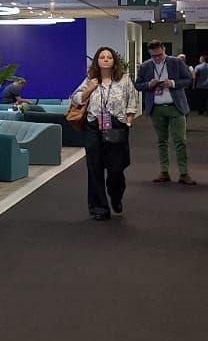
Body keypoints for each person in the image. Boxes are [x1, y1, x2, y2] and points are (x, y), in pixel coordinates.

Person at [71, 47, 140, 220]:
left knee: (116, 169)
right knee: (94, 167)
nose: (106, 59)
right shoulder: (90, 79)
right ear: (97, 61)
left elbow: (132, 101)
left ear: (114, 60)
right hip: (93, 126)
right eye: (102, 57)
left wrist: (129, 121)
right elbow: (76, 98)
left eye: (109, 57)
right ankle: (99, 208)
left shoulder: (124, 79)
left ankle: (116, 196)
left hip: (116, 126)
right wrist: (90, 88)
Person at [135, 40, 194, 185]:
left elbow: (188, 80)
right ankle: (164, 171)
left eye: (160, 55)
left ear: (164, 50)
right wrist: (149, 84)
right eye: (154, 56)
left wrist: (173, 83)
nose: (157, 58)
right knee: (162, 141)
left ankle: (184, 173)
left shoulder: (176, 62)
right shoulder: (145, 66)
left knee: (180, 141)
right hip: (156, 109)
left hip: (176, 107)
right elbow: (137, 85)